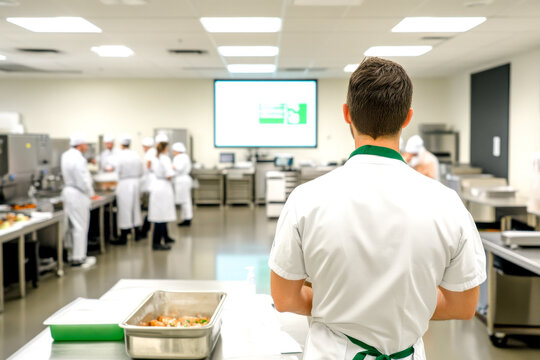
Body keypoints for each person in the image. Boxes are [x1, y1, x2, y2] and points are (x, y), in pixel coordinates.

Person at [269, 57, 486, 360]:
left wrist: (343, 305)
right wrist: (399, 305)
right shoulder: (448, 204)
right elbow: (463, 306)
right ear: (407, 118)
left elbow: (284, 298)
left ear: (347, 113)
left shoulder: (307, 199)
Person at [61, 133, 97, 268]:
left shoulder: (65, 155)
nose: (86, 147)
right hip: (78, 194)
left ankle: (71, 255)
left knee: (71, 226)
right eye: (85, 144)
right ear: (80, 145)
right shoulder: (79, 158)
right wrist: (90, 192)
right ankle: (79, 257)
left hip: (68, 193)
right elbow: (83, 180)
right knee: (80, 226)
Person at [112, 134, 144, 245]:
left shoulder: (119, 156)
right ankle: (137, 234)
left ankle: (124, 236)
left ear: (121, 145)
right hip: (135, 183)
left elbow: (116, 172)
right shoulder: (136, 155)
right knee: (136, 208)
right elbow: (141, 170)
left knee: (124, 209)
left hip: (124, 183)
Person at [148, 134, 177, 250]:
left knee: (161, 215)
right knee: (160, 216)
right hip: (163, 188)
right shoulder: (165, 158)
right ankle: (156, 243)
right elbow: (169, 175)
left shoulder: (155, 156)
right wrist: (173, 171)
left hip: (157, 186)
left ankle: (165, 237)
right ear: (166, 146)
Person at [172, 142, 193, 226]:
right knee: (186, 200)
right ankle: (187, 218)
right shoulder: (185, 156)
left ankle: (187, 219)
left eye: (174, 151)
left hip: (182, 181)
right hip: (185, 180)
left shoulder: (179, 157)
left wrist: (171, 166)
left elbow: (178, 168)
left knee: (184, 201)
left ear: (177, 150)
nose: (173, 152)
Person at [140, 136, 157, 237]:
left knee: (148, 208)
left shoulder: (150, 153)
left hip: (149, 184)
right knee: (149, 208)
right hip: (150, 183)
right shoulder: (153, 152)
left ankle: (145, 229)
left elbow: (148, 166)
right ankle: (145, 228)